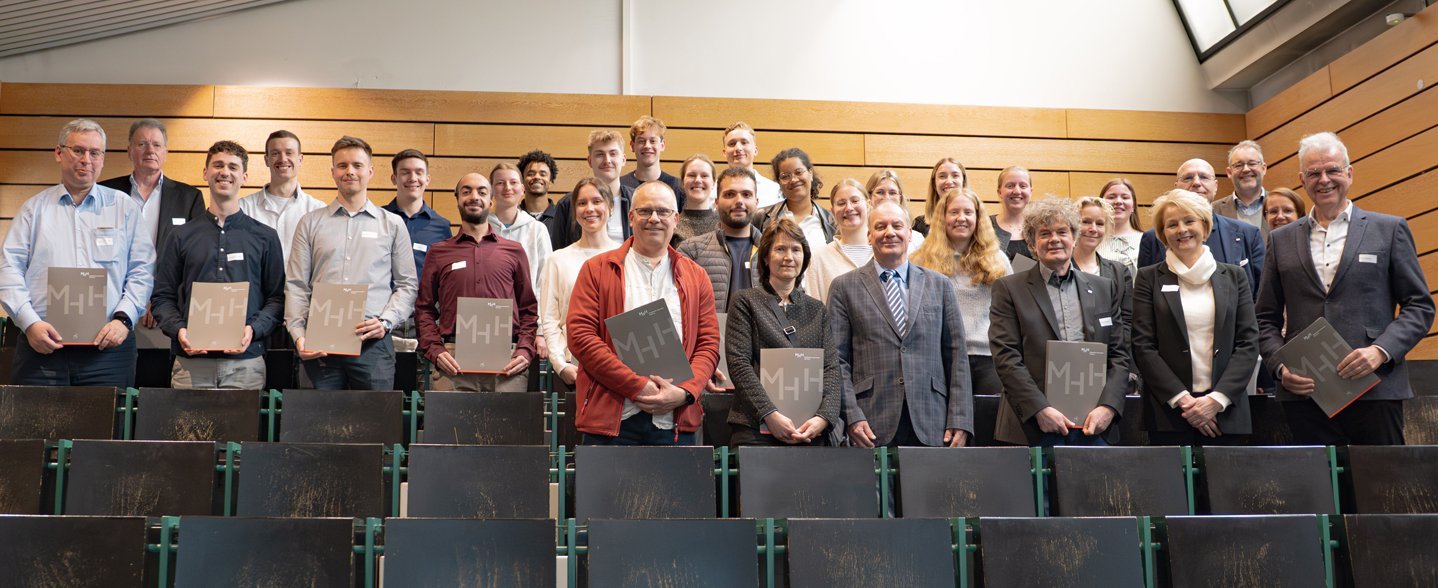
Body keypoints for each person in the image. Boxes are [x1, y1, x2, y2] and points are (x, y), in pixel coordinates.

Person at [1256, 132, 1435, 445]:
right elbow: (1264, 318)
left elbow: (1419, 306)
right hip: (1306, 395)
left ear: (1349, 173)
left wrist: (1380, 351)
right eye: (1314, 173)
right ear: (1302, 180)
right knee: (1317, 479)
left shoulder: (1388, 229)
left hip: (1375, 388)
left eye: (1332, 170)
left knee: (1381, 478)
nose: (1324, 179)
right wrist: (1280, 367)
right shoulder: (1281, 240)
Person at [0, 119, 154, 387]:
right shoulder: (33, 210)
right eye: (78, 150)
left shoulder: (124, 208)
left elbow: (143, 270)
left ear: (102, 159)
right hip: (42, 347)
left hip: (108, 350)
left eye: (95, 153)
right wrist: (29, 323)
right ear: (59, 153)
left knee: (106, 417)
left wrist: (124, 319)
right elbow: (8, 270)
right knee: (38, 417)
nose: (86, 160)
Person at [566, 182, 721, 445]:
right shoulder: (596, 269)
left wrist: (685, 391)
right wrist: (637, 386)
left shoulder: (697, 277)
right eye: (645, 211)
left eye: (663, 211)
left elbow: (708, 344)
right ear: (631, 217)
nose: (654, 219)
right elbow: (581, 337)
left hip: (675, 420)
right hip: (612, 420)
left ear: (676, 219)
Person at [829, 200, 973, 448]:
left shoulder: (940, 285)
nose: (889, 233)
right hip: (870, 421)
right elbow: (836, 360)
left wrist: (960, 418)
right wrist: (851, 415)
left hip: (933, 420)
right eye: (880, 227)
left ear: (909, 233)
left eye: (897, 226)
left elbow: (957, 355)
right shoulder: (844, 287)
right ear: (869, 235)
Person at [989, 196, 1129, 446]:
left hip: (1094, 425)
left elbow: (1119, 355)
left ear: (1074, 238)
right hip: (1032, 425)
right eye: (1044, 234)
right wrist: (1039, 409)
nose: (1054, 239)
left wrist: (1108, 407)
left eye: (1062, 232)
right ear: (1032, 245)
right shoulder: (1009, 289)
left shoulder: (1103, 288)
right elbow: (1006, 356)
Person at [286, 136, 418, 390]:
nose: (350, 171)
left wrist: (386, 322)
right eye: (342, 165)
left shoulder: (392, 224)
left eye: (357, 165)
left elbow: (407, 285)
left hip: (373, 343)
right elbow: (296, 285)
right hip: (319, 344)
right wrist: (298, 335)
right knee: (318, 416)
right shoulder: (310, 223)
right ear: (333, 172)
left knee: (375, 415)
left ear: (370, 172)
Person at [151, 141, 285, 389]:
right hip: (190, 364)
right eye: (218, 165)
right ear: (205, 173)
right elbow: (162, 297)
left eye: (233, 167)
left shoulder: (265, 237)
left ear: (244, 177)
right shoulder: (180, 236)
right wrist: (179, 331)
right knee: (186, 419)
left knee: (244, 419)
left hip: (247, 364)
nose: (225, 172)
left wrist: (253, 329)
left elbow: (277, 299)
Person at [1132, 189, 1258, 445]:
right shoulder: (1148, 278)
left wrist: (1215, 401)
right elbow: (1143, 346)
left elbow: (1248, 342)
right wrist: (1185, 402)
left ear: (1205, 225)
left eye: (1189, 221)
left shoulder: (1234, 276)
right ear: (1162, 233)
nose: (1182, 230)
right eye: (1172, 224)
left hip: (1226, 412)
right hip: (1170, 413)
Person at [415, 172, 538, 392]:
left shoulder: (514, 251)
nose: (474, 197)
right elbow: (424, 309)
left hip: (507, 362)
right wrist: (435, 350)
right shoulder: (439, 252)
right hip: (452, 361)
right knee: (450, 418)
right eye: (466, 191)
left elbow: (528, 309)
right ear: (457, 199)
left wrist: (525, 350)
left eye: (481, 192)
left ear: (491, 201)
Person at [726, 219, 841, 446]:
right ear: (766, 257)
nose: (789, 257)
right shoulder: (745, 301)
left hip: (809, 429)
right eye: (780, 249)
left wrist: (823, 418)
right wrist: (769, 414)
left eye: (796, 250)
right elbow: (739, 364)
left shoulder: (817, 309)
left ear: (804, 258)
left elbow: (830, 368)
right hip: (755, 427)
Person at [99, 118, 205, 336]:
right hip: (110, 305)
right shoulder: (105, 193)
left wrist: (158, 300)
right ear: (129, 151)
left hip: (168, 309)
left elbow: (192, 260)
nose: (150, 150)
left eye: (156, 145)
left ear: (165, 152)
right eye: (142, 144)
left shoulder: (189, 197)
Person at [911, 188, 1011, 396]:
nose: (961, 218)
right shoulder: (921, 260)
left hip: (988, 359)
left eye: (968, 212)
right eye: (954, 212)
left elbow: (1010, 312)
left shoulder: (998, 259)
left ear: (978, 218)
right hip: (941, 357)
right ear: (943, 217)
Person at [1138, 158, 1264, 299]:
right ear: (1176, 186)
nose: (1196, 183)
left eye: (1204, 177)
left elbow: (1261, 296)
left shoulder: (1248, 234)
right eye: (1188, 178)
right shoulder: (1152, 238)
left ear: (1215, 186)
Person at [540, 178, 620, 389]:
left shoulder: (626, 256)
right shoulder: (557, 259)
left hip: (619, 369)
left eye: (597, 201)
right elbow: (550, 319)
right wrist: (560, 365)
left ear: (611, 207)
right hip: (573, 368)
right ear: (575, 211)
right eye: (582, 203)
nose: (589, 209)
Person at [676, 167, 760, 313]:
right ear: (716, 202)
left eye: (746, 194)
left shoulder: (774, 252)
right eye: (730, 194)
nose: (739, 201)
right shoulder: (690, 250)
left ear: (756, 202)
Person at [239, 130, 327, 262]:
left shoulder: (317, 210)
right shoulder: (243, 208)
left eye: (289, 153)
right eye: (275, 153)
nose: (283, 159)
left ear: (300, 159)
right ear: (266, 160)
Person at [547, 130, 633, 250]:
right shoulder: (567, 204)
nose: (607, 160)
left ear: (623, 159)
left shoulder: (636, 200)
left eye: (613, 154)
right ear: (590, 161)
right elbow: (558, 249)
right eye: (600, 155)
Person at [751, 148, 836, 248]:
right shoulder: (761, 217)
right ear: (779, 182)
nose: (793, 180)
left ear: (811, 174)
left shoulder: (831, 221)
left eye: (798, 172)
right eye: (785, 176)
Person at [487, 162, 552, 293]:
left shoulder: (537, 229)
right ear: (491, 190)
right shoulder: (481, 227)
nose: (507, 187)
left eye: (513, 182)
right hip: (487, 304)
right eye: (500, 183)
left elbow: (545, 279)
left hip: (526, 305)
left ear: (522, 189)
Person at [805, 179, 872, 304]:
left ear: (868, 205)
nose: (849, 208)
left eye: (855, 201)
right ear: (833, 211)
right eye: (841, 203)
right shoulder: (819, 259)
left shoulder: (885, 253)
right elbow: (813, 310)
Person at [620, 116, 686, 210]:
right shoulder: (621, 185)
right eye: (641, 141)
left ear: (662, 145)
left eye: (653, 141)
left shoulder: (678, 187)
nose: (647, 146)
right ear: (632, 146)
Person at [1214, 140, 1270, 237]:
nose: (1246, 169)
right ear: (1229, 172)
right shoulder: (1214, 211)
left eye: (1252, 163)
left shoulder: (1281, 205)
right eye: (1238, 165)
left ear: (1263, 168)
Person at [722, 122, 782, 207]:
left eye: (744, 142)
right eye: (732, 144)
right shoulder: (712, 191)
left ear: (755, 150)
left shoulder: (774, 190)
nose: (738, 148)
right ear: (724, 152)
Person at [865, 169, 924, 253]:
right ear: (869, 196)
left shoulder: (917, 239)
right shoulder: (860, 237)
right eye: (880, 192)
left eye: (892, 193)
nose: (887, 198)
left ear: (900, 198)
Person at [1097, 178, 1143, 278]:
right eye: (1111, 197)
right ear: (1101, 205)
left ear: (1133, 206)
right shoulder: (1093, 240)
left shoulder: (1147, 240)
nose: (1118, 201)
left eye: (1125, 197)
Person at [671, 154, 718, 247]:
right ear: (682, 182)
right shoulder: (672, 226)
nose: (698, 180)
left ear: (713, 183)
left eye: (704, 176)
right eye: (692, 175)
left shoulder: (724, 225)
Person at [912, 158, 967, 236]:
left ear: (963, 181)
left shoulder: (976, 221)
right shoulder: (919, 225)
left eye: (955, 176)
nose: (949, 181)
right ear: (934, 183)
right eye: (942, 176)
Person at [990, 166, 1034, 260]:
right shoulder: (985, 225)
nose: (1017, 191)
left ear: (1030, 191)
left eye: (1023, 186)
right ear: (999, 192)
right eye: (1010, 186)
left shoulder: (1039, 227)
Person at [517, 149, 558, 219]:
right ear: (522, 181)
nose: (537, 177)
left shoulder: (561, 217)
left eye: (543, 174)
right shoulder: (513, 216)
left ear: (551, 181)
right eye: (531, 174)